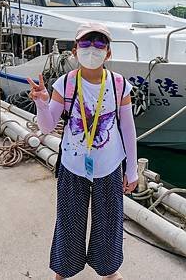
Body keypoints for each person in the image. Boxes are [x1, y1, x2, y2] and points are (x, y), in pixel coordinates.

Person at [28, 22, 138, 280]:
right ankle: (63, 271)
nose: (92, 49)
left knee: (109, 223)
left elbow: (129, 131)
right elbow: (46, 126)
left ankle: (109, 271)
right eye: (86, 44)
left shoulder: (120, 85)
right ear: (75, 50)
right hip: (73, 166)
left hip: (110, 167)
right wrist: (42, 104)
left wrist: (131, 170)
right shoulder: (64, 84)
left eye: (100, 44)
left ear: (108, 53)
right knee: (69, 222)